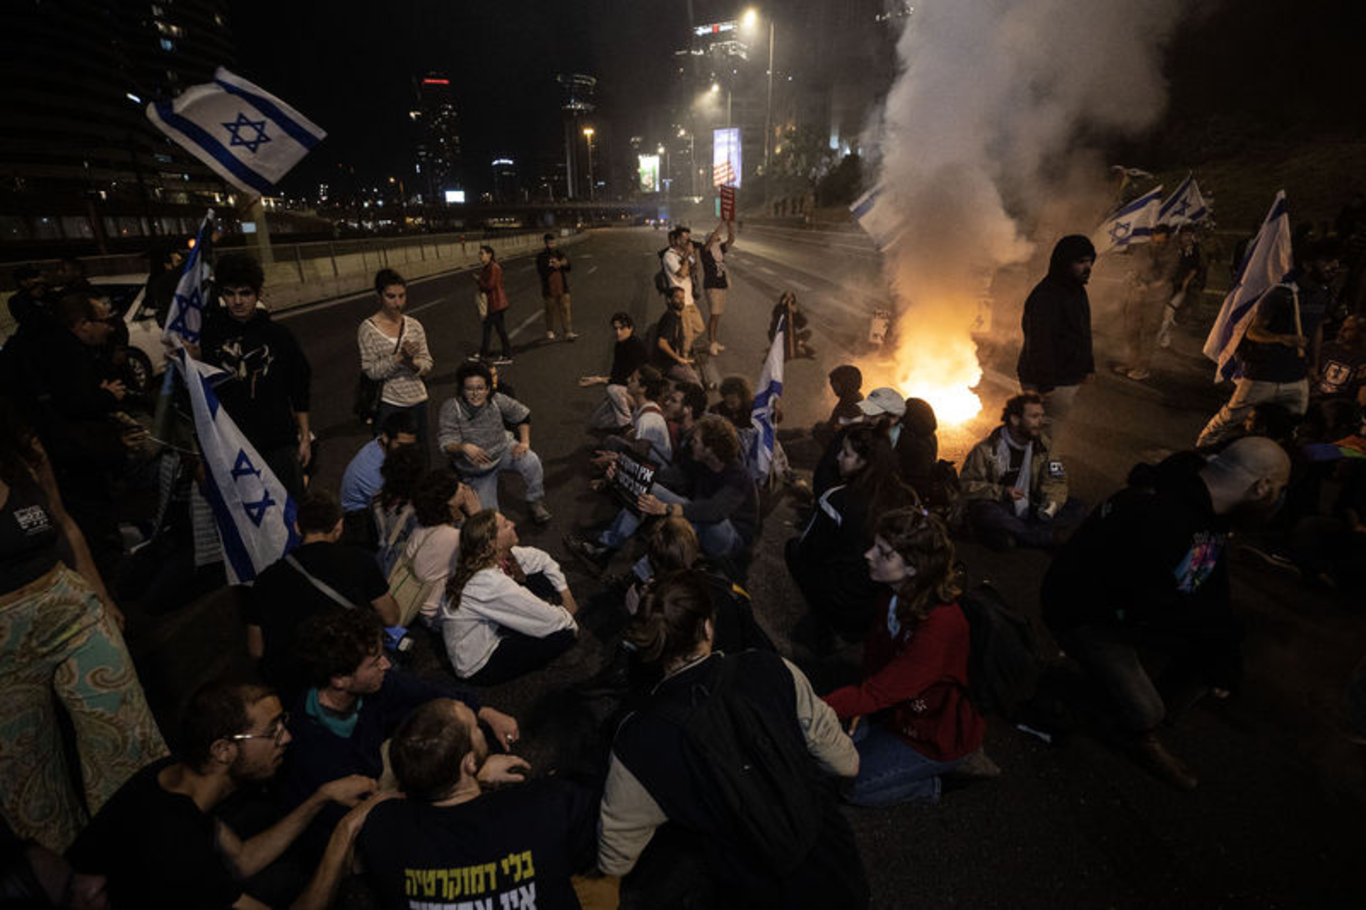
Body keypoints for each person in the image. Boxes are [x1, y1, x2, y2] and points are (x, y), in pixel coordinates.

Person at [598, 570, 868, 908]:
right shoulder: (771, 667)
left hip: (753, 887)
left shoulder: (638, 737)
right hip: (835, 870)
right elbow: (845, 763)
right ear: (709, 627)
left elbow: (615, 859)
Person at [1042, 438, 1293, 789]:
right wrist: (1202, 642)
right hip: (1087, 617)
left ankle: (1124, 700)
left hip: (1131, 613)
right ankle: (1103, 704)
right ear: (1261, 487)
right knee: (1149, 710)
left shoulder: (1212, 511)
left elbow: (1209, 588)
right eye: (1279, 488)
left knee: (1221, 648)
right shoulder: (1162, 515)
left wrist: (1223, 658)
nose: (1279, 498)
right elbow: (1142, 603)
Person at [0, 398, 166, 852]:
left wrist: (102, 597)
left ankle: (157, 863)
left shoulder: (20, 449)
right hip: (4, 653)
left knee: (128, 747)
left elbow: (66, 527)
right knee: (30, 796)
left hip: (71, 612)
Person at [66, 680, 378, 909]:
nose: (287, 737)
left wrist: (320, 798)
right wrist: (346, 831)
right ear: (223, 750)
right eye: (273, 731)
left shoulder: (178, 776)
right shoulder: (177, 847)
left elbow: (242, 859)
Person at [280, 609, 517, 855]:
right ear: (340, 679)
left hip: (374, 771)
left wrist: (485, 712)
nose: (386, 664)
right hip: (350, 821)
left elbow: (427, 692)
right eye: (374, 662)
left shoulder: (374, 686)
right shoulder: (312, 744)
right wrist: (471, 779)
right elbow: (364, 815)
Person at [356, 698, 596, 910]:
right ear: (469, 764)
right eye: (475, 729)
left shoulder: (384, 831)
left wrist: (467, 777)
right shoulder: (544, 803)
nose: (480, 730)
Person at [823, 507, 989, 805]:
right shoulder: (894, 593)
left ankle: (936, 783)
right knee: (831, 760)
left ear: (913, 567)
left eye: (883, 553)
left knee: (853, 786)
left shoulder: (940, 625)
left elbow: (877, 692)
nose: (868, 555)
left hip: (934, 734)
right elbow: (875, 660)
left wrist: (814, 710)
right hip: (899, 710)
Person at [245, 490, 401, 697]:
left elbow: (256, 650)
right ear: (339, 526)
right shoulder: (360, 562)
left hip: (291, 685)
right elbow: (390, 617)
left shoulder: (265, 579)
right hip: (344, 679)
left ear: (297, 528)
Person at [1196, 238, 1342, 448]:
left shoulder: (1323, 294)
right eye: (1327, 261)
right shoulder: (1282, 294)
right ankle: (1201, 448)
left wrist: (1313, 366)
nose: (1334, 266)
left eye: (1336, 260)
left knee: (1290, 426)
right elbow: (1254, 332)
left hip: (1296, 377)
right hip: (1264, 375)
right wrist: (1282, 338)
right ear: (1307, 265)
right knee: (1229, 419)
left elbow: (1317, 329)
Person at [566, 416, 758, 574]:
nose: (692, 443)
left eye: (696, 441)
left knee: (695, 518)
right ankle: (605, 551)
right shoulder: (700, 462)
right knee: (646, 489)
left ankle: (638, 577)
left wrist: (666, 508)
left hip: (731, 542)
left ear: (711, 449)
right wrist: (623, 463)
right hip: (703, 521)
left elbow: (714, 511)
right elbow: (664, 477)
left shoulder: (738, 477)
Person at [787, 425, 917, 642]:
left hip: (847, 601)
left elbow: (808, 549)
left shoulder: (837, 499)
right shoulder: (907, 497)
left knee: (793, 549)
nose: (838, 457)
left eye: (846, 453)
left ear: (864, 462)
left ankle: (824, 620)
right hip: (890, 598)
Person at [199, 252, 312, 499]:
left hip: (278, 442)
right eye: (230, 293)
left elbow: (299, 386)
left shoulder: (278, 336)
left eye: (245, 293)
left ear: (258, 294)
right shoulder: (210, 336)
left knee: (290, 510)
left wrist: (304, 436)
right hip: (233, 446)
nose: (237, 301)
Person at [442, 509, 579, 684]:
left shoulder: (483, 558)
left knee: (540, 578)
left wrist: (566, 594)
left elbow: (541, 558)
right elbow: (553, 622)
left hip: (485, 631)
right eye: (506, 525)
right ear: (492, 543)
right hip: (477, 664)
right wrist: (568, 618)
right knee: (564, 634)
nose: (513, 523)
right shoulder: (489, 582)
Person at [960, 391, 1083, 550]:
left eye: (1041, 416)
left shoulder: (1043, 445)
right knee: (988, 513)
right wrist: (1003, 492)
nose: (1041, 422)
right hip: (1000, 504)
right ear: (1015, 420)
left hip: (1031, 502)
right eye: (1034, 417)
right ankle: (1041, 536)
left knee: (1077, 506)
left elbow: (1056, 479)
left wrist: (1051, 504)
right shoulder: (986, 449)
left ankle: (1023, 535)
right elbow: (966, 485)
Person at [438, 360, 550, 523]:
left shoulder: (497, 399)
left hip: (503, 450)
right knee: (490, 520)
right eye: (469, 389)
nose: (475, 394)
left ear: (488, 389)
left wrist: (524, 442)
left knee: (532, 461)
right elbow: (446, 444)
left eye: (480, 389)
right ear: (462, 389)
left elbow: (523, 415)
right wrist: (463, 447)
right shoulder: (451, 408)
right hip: (477, 470)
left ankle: (534, 500)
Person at [1016, 234, 1097, 431]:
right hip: (1049, 382)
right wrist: (1045, 385)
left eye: (1090, 261)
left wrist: (1088, 366)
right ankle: (1043, 462)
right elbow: (1039, 342)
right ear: (1064, 263)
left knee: (1047, 433)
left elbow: (1083, 331)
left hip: (1066, 378)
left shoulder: (1077, 290)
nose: (1088, 268)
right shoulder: (1047, 296)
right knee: (1043, 434)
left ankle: (1040, 460)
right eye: (1080, 262)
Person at [358, 268, 434, 459]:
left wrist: (414, 363)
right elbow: (371, 371)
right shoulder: (368, 329)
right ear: (380, 296)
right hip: (390, 403)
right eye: (391, 296)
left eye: (402, 296)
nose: (397, 302)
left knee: (421, 455)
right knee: (391, 459)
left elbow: (428, 362)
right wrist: (399, 357)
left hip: (418, 401)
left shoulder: (414, 325)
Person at [401, 468, 480, 628]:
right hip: (437, 613)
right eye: (457, 487)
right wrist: (477, 516)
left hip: (420, 603)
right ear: (449, 502)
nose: (463, 487)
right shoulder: (452, 537)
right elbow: (489, 550)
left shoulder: (420, 527)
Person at [1114, 223, 1179, 381]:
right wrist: (1136, 282)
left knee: (1148, 333)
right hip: (1136, 295)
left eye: (1161, 242)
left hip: (1156, 298)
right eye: (1155, 240)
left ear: (1167, 240)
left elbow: (1165, 277)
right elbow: (1133, 268)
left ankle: (1142, 367)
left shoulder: (1172, 254)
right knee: (1131, 330)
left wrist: (1149, 287)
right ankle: (1131, 362)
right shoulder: (1143, 249)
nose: (1157, 244)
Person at [338, 410, 417, 515]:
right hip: (360, 516)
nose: (407, 451)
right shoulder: (372, 470)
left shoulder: (382, 446)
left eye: (410, 446)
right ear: (385, 438)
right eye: (401, 445)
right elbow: (388, 510)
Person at [580, 311, 649, 430]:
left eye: (622, 329)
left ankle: (628, 426)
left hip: (640, 394)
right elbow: (616, 373)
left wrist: (600, 380)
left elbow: (628, 379)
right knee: (596, 423)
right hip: (624, 388)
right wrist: (601, 379)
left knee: (612, 390)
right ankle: (630, 418)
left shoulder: (636, 347)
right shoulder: (619, 345)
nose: (618, 332)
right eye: (615, 329)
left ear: (630, 328)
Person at [662, 227, 705, 355]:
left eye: (688, 239)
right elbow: (682, 273)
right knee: (687, 334)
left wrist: (695, 253)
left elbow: (694, 269)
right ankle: (683, 358)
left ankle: (678, 346)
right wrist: (686, 256)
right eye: (684, 239)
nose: (686, 242)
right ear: (675, 240)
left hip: (689, 299)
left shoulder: (683, 254)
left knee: (699, 327)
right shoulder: (669, 256)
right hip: (680, 300)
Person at [651, 286, 701, 386]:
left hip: (672, 362)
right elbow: (662, 343)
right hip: (669, 364)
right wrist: (678, 358)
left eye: (682, 298)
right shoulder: (670, 317)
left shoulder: (677, 316)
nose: (681, 301)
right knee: (696, 385)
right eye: (677, 298)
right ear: (669, 300)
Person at [473, 245, 513, 365]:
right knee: (488, 328)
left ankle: (507, 355)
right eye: (479, 254)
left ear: (489, 254)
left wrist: (478, 280)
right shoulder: (487, 267)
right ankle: (484, 353)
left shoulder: (493, 268)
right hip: (493, 303)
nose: (480, 256)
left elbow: (490, 285)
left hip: (496, 303)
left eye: (482, 253)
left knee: (498, 330)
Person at [700, 220, 735, 355]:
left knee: (718, 315)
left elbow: (731, 240)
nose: (719, 239)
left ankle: (714, 341)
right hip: (712, 286)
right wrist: (721, 223)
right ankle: (711, 343)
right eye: (715, 238)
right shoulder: (705, 251)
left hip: (721, 285)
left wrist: (729, 225)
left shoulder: (719, 250)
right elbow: (714, 236)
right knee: (714, 315)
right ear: (710, 240)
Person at [536, 232, 576, 341]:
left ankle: (568, 332)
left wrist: (562, 264)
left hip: (562, 287)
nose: (552, 245)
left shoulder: (559, 253)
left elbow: (568, 266)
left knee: (565, 309)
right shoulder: (541, 256)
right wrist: (554, 265)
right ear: (545, 243)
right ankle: (550, 330)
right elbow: (541, 271)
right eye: (549, 243)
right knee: (550, 310)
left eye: (553, 242)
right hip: (549, 288)